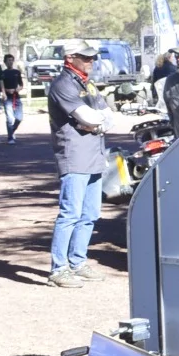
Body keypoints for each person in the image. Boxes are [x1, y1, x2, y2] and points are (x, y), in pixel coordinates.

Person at [47, 41, 110, 288]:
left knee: (90, 214)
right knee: (70, 214)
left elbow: (107, 116)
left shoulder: (87, 83)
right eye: (85, 58)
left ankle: (78, 262)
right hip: (74, 156)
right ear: (70, 57)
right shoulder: (63, 84)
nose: (90, 61)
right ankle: (58, 269)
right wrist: (94, 121)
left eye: (92, 58)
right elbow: (88, 117)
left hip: (93, 155)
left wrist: (96, 122)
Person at [1, 53, 25, 142]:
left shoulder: (16, 72)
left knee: (19, 118)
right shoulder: (3, 73)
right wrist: (7, 90)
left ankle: (12, 131)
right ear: (5, 62)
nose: (10, 62)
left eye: (11, 60)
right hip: (8, 98)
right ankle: (10, 138)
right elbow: (0, 86)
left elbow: (21, 84)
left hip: (16, 97)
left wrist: (18, 89)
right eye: (8, 61)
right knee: (10, 118)